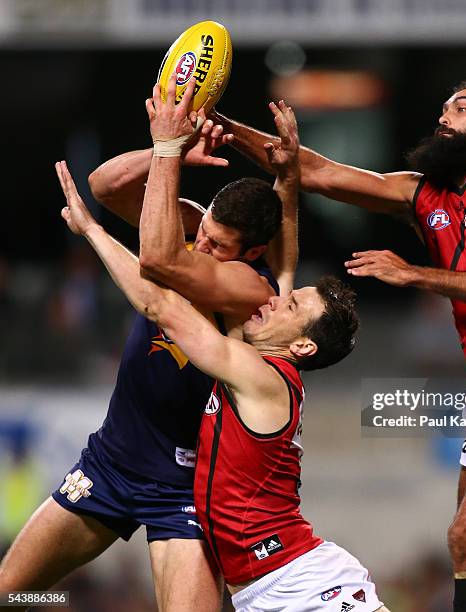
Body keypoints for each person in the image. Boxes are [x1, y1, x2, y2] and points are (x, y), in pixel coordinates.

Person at [211, 79, 466, 611]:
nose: (444, 115)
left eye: (461, 107)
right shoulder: (425, 193)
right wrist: (221, 126)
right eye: (442, 106)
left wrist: (412, 273)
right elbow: (319, 172)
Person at [55, 133, 389, 610]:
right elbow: (286, 262)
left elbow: (159, 301)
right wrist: (286, 177)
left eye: (288, 304)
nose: (275, 297)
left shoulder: (256, 373)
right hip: (268, 583)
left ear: (301, 343)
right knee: (15, 591)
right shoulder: (256, 351)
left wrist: (92, 230)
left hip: (302, 582)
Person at [0, 77, 295, 612]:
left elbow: (159, 263)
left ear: (252, 252)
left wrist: (165, 150)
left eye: (219, 246)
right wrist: (171, 152)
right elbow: (105, 184)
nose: (202, 242)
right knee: (13, 593)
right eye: (203, 231)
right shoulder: (190, 225)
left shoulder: (250, 289)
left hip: (182, 487)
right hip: (111, 461)